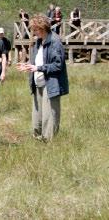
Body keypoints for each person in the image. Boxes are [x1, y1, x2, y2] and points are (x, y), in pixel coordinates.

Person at [16, 14, 69, 142]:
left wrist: (38, 68)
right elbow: (37, 61)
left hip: (50, 83)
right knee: (37, 115)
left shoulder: (55, 41)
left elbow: (58, 65)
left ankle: (49, 143)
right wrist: (28, 66)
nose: (33, 32)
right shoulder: (39, 41)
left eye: (35, 29)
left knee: (49, 116)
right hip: (37, 82)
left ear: (43, 28)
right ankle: (38, 140)